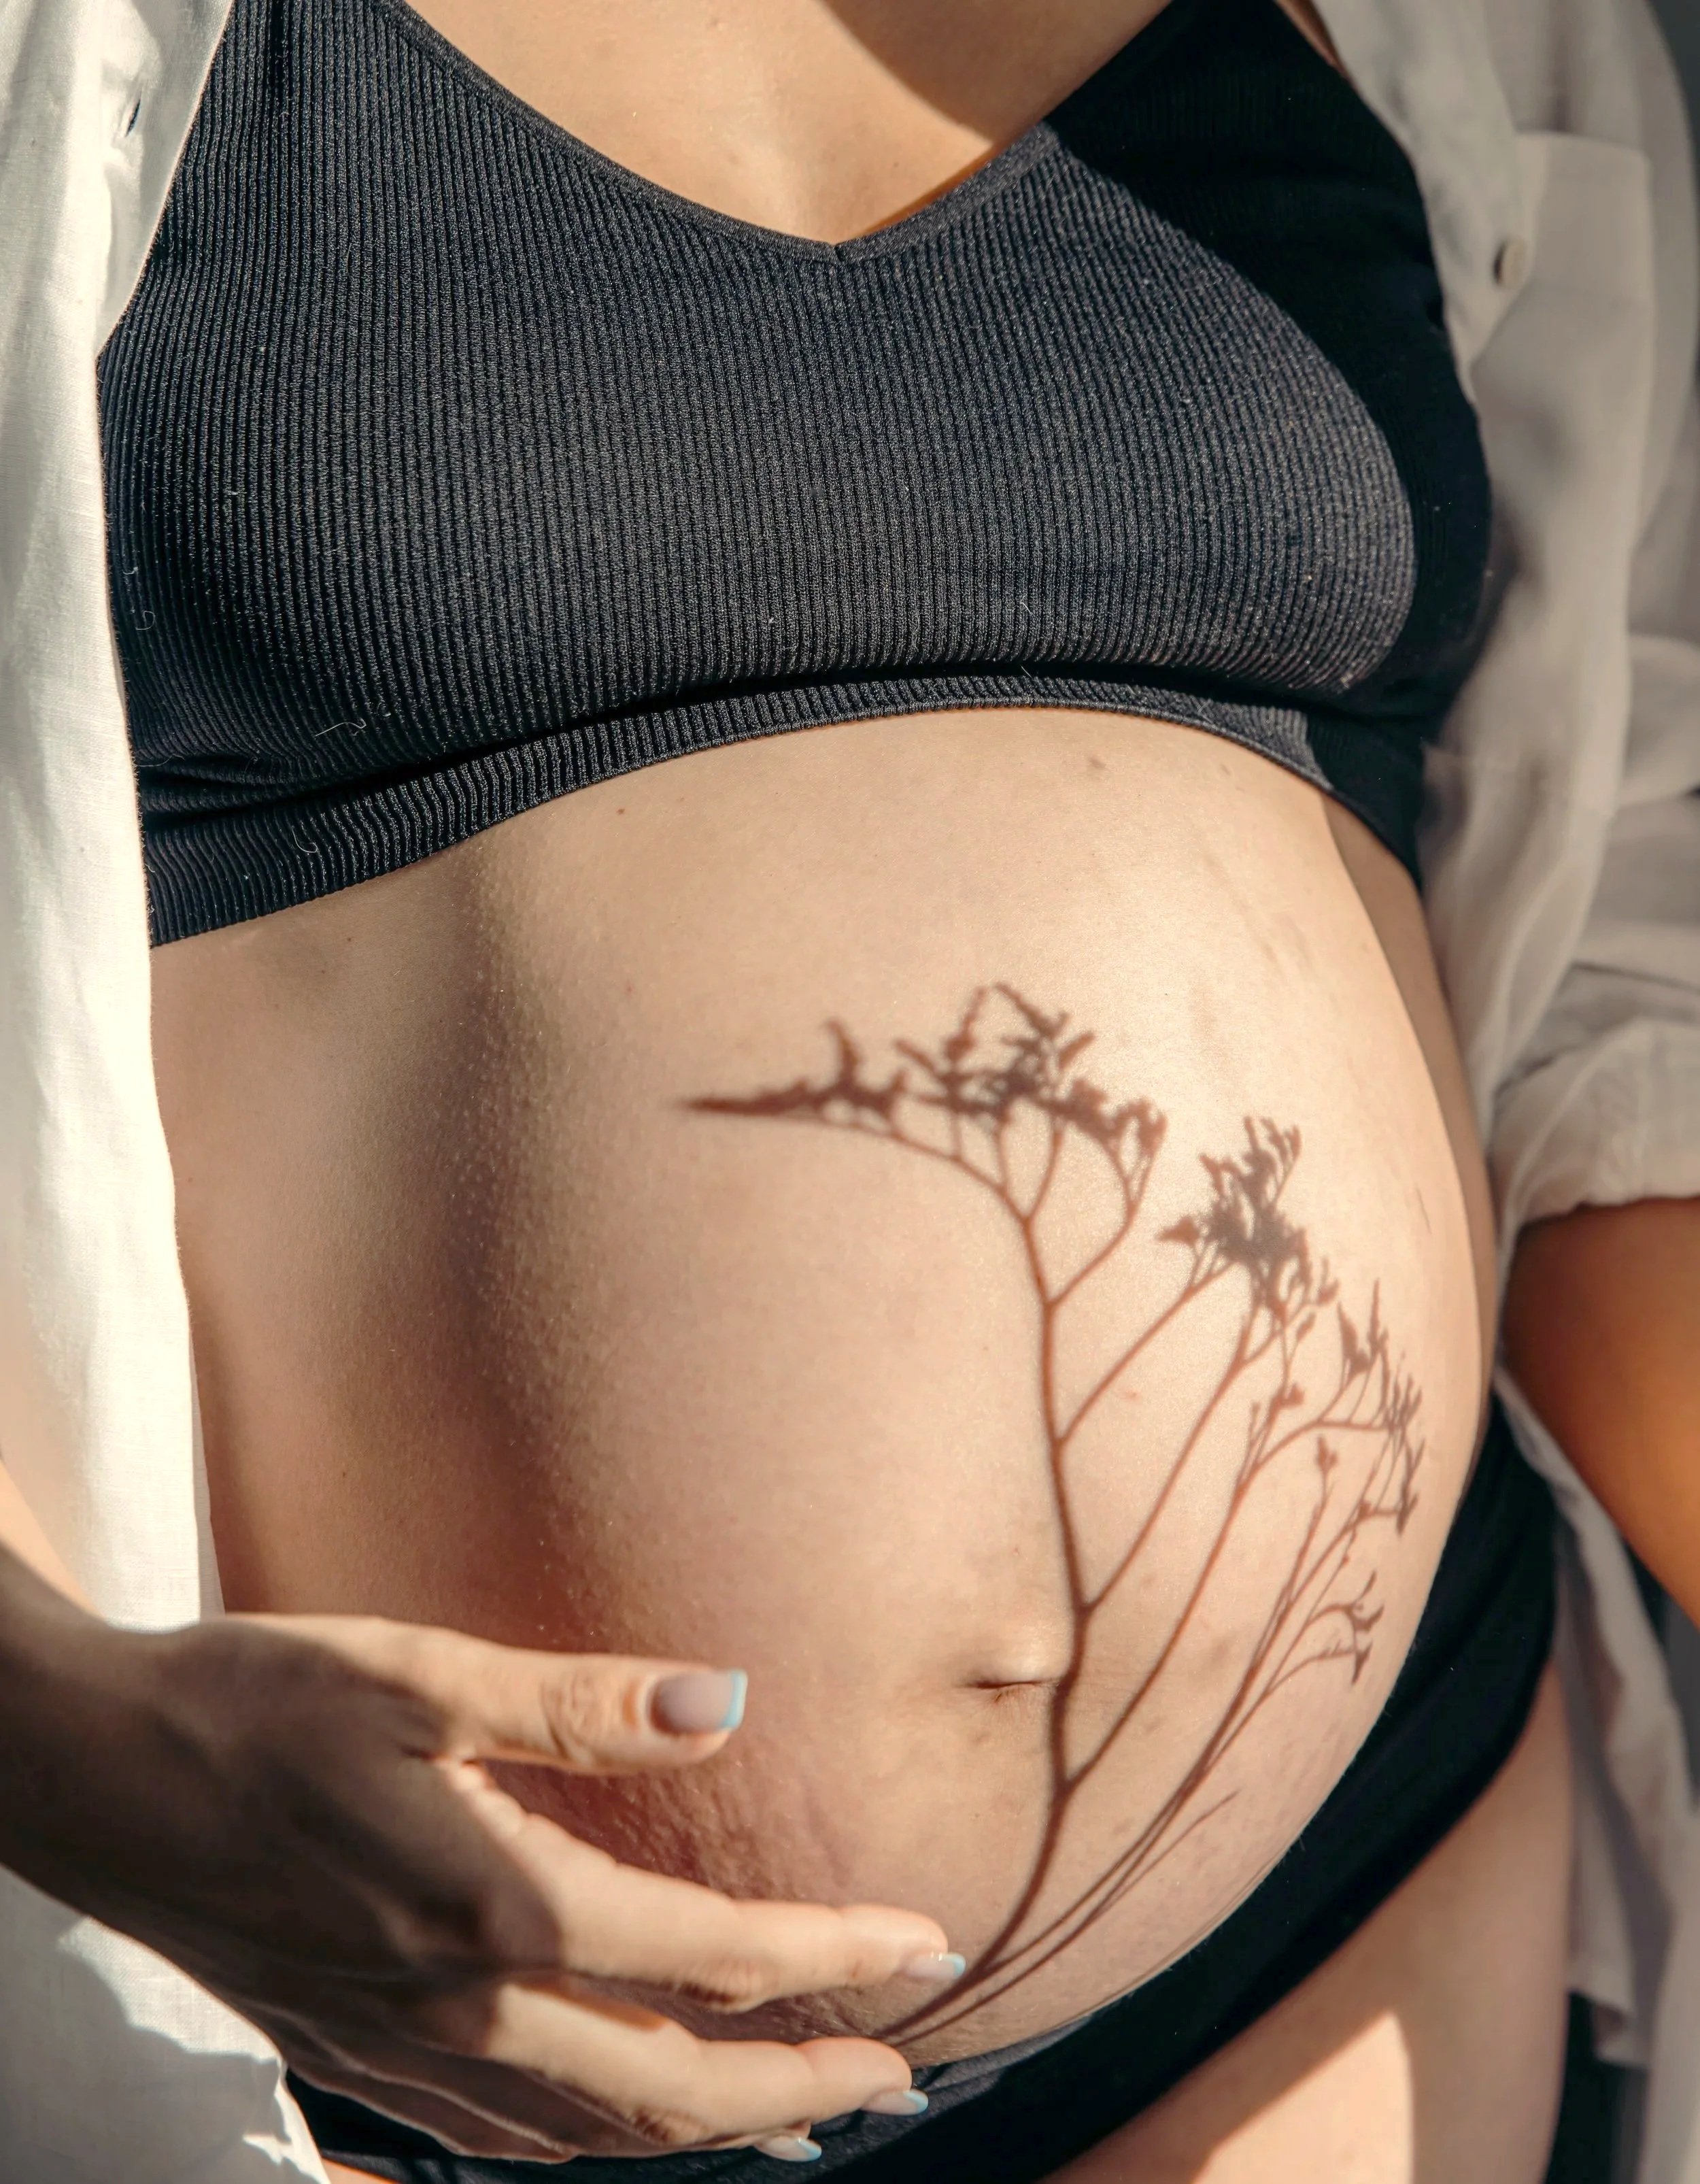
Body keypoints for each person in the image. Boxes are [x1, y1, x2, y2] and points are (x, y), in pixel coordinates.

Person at [1, 0, 1696, 2179]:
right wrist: (62, 1739)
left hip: (1324, 1959)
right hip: (330, 1984)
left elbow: (1622, 1030)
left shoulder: (1471, 32)